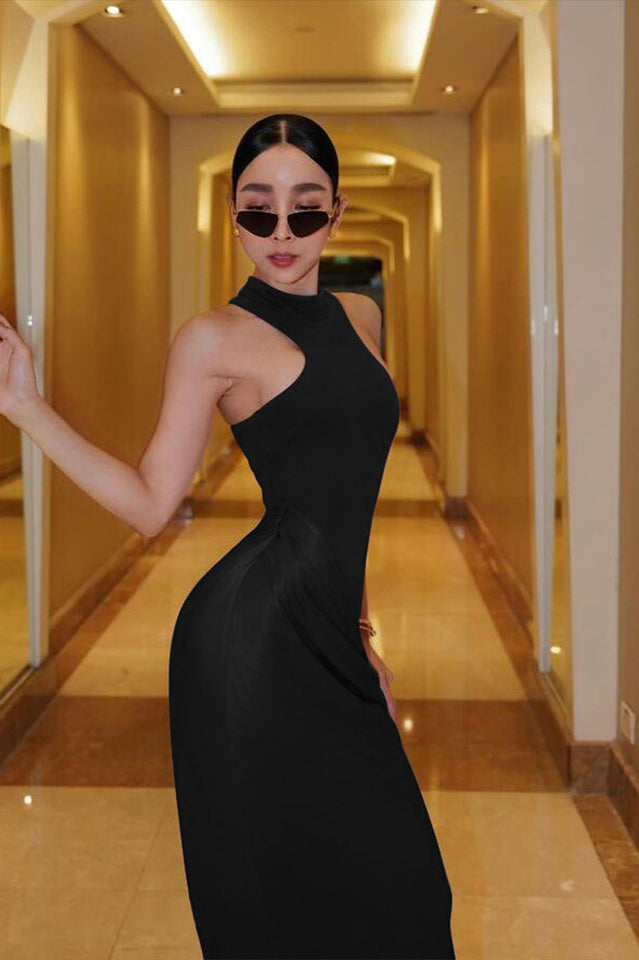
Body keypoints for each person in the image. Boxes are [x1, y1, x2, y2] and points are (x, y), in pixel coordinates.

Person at [0, 112, 455, 959]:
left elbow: (345, 495)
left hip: (329, 631)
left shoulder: (360, 316)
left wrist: (362, 637)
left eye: (304, 207)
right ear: (234, 216)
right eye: (257, 208)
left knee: (410, 890)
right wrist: (26, 409)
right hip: (250, 642)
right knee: (277, 897)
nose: (281, 231)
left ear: (336, 211)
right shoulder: (213, 338)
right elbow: (149, 502)